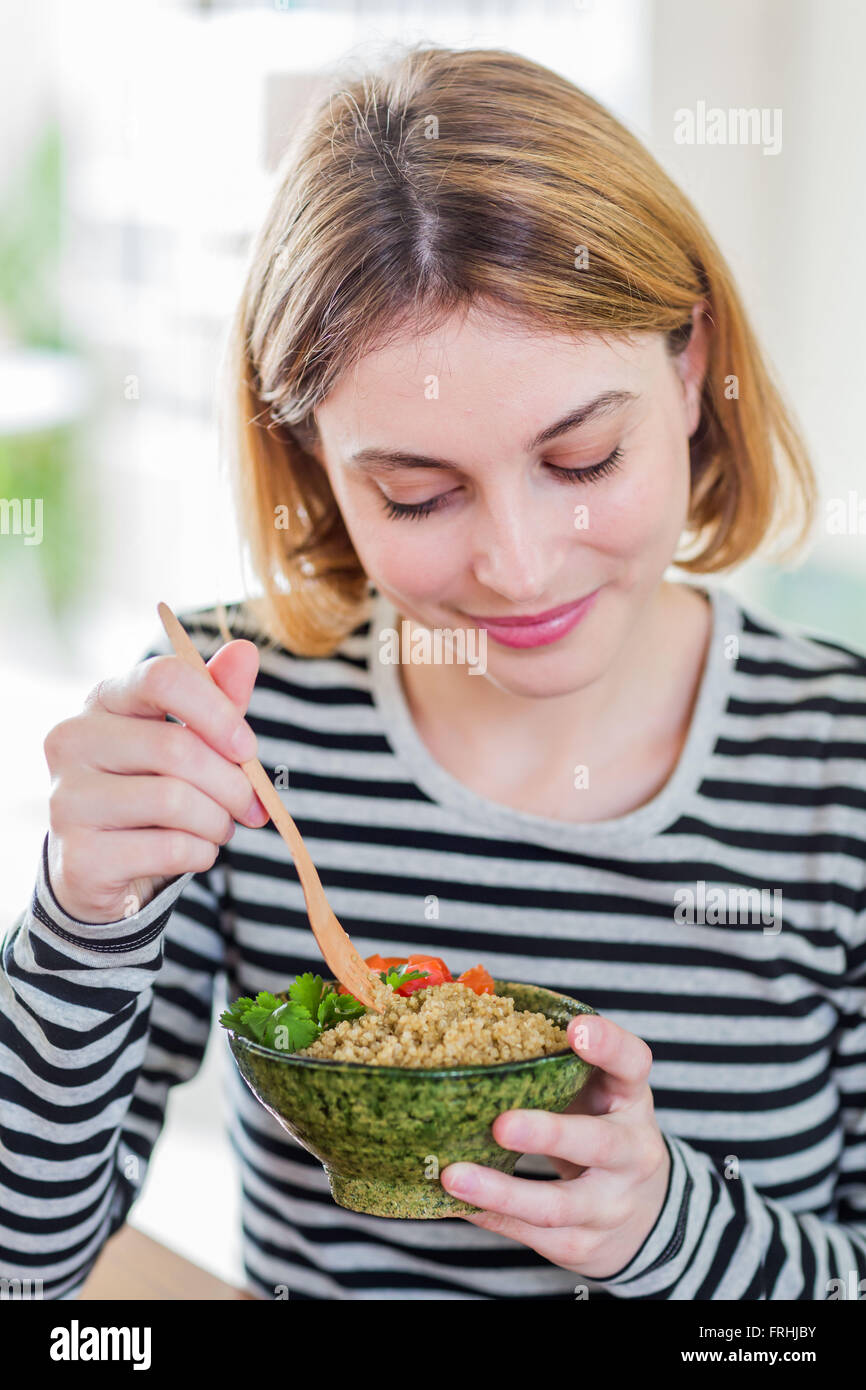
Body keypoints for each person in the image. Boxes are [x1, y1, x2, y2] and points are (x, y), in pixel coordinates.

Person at [2, 44, 864, 1302]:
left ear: (689, 368)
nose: (516, 569)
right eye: (416, 492)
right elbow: (23, 1267)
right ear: (315, 464)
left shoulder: (836, 774)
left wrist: (665, 1231)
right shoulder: (240, 730)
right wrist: (80, 922)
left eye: (579, 459)